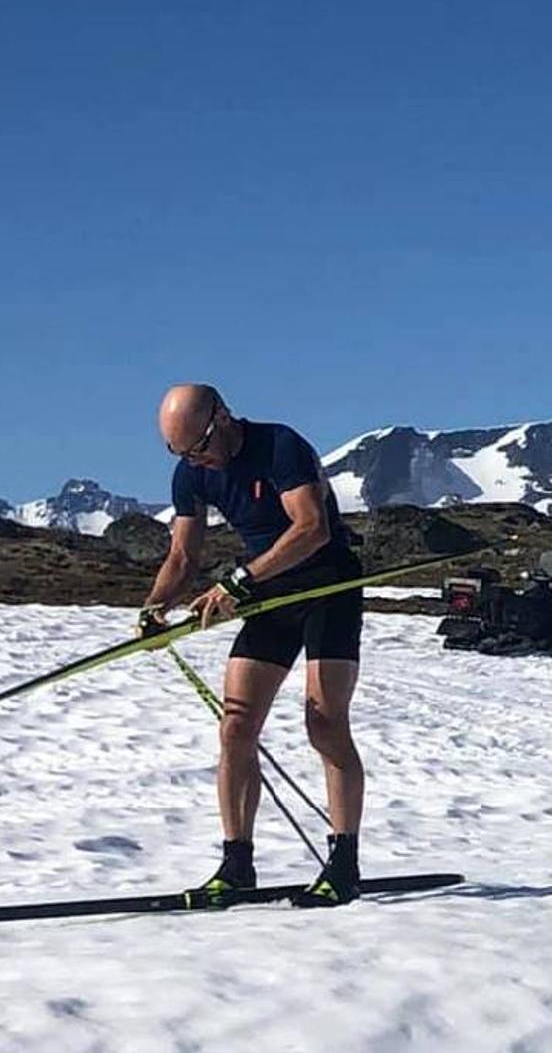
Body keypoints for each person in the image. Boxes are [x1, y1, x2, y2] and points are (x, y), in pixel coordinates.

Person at [143, 385, 367, 906]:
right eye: (183, 454)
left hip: (327, 589)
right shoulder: (192, 471)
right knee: (236, 726)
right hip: (269, 596)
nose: (198, 461)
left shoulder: (280, 446)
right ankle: (236, 864)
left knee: (325, 722)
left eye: (199, 446)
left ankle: (343, 862)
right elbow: (183, 556)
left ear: (221, 417)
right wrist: (155, 606)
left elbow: (310, 528)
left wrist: (240, 580)